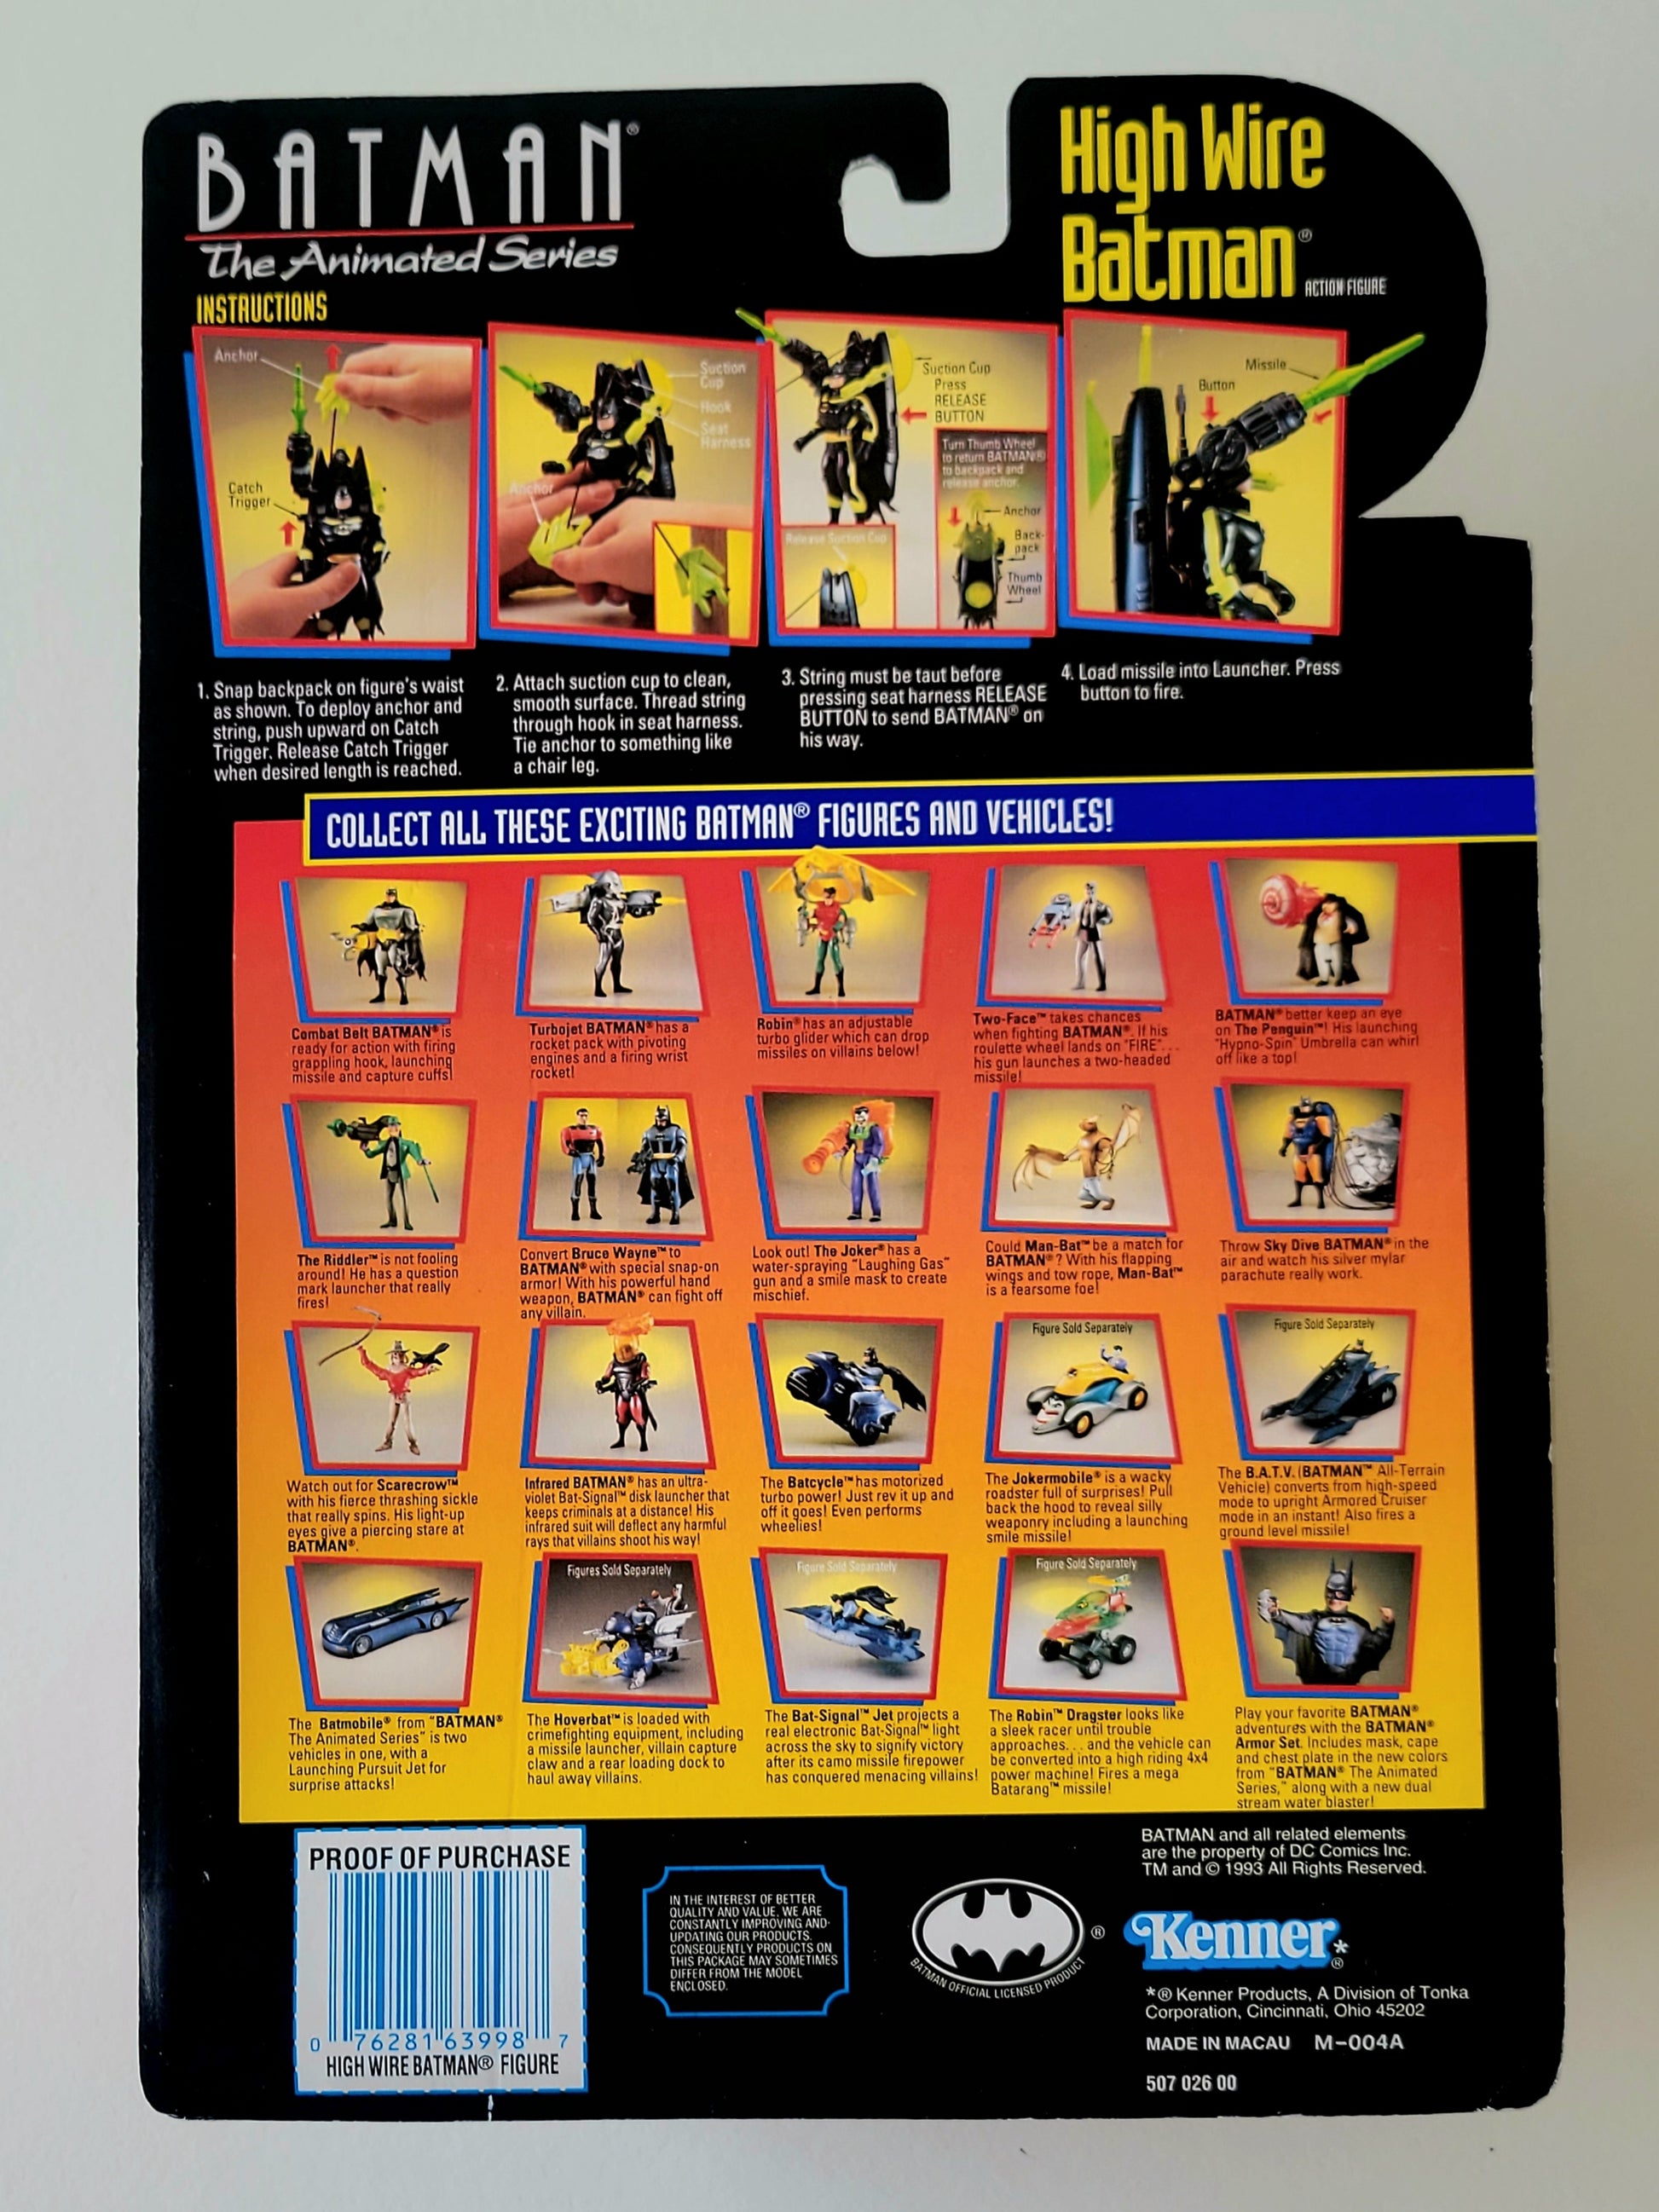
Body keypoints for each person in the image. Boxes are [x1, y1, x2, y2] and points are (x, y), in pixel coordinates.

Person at [1257, 1560, 1396, 1685]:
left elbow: (1378, 1644)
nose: (1334, 1598)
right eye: (1330, 1592)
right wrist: (1275, 1612)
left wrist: (1388, 1625)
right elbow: (1295, 1622)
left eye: (1340, 1593)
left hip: (1348, 1687)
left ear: (1350, 1595)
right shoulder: (1315, 1620)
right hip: (1318, 1685)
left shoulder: (1359, 1625)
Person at [359, 1340, 437, 1456]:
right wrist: (361, 1350)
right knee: (391, 1422)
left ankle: (413, 1444)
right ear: (392, 1355)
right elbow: (370, 1365)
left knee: (407, 1423)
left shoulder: (407, 1370)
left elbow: (418, 1372)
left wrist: (427, 1370)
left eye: (400, 1353)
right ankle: (387, 1442)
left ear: (403, 1355)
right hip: (394, 1397)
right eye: (395, 1353)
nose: (397, 1355)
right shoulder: (388, 1371)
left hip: (404, 1398)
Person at [359, 1117, 434, 1232]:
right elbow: (372, 1154)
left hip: (401, 1173)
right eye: (390, 1126)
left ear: (399, 1127)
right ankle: (392, 1220)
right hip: (389, 1172)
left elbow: (416, 1153)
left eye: (395, 1126)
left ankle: (407, 1222)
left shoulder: (407, 1144)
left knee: (404, 1198)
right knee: (388, 1198)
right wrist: (366, 1150)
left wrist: (421, 1160)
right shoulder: (384, 1144)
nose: (392, 1128)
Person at [840, 1102, 887, 1222]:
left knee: (872, 1185)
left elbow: (880, 1144)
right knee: (856, 1185)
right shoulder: (854, 1129)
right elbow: (849, 1142)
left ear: (867, 1116)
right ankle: (856, 1211)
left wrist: (875, 1157)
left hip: (870, 1159)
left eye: (862, 1117)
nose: (860, 1120)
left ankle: (876, 1213)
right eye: (857, 1117)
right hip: (858, 1159)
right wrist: (842, 1151)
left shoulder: (874, 1128)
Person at [560, 1107, 606, 1222]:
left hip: (590, 1158)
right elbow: (564, 1145)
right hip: (579, 1159)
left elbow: (601, 1143)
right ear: (577, 1117)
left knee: (592, 1184)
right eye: (581, 1116)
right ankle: (575, 1212)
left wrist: (602, 1156)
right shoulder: (570, 1130)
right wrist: (570, 1152)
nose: (584, 1118)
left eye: (586, 1115)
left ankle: (593, 1211)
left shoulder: (595, 1129)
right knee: (577, 1183)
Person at [1073, 881, 1113, 991]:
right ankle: (1080, 983)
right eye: (1087, 891)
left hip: (1094, 932)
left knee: (1098, 958)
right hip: (1083, 932)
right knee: (1079, 958)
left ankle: (1102, 984)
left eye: (1091, 891)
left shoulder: (1100, 906)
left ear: (1095, 892)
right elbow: (1075, 915)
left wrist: (1103, 921)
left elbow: (1109, 917)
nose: (1089, 892)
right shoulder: (1081, 904)